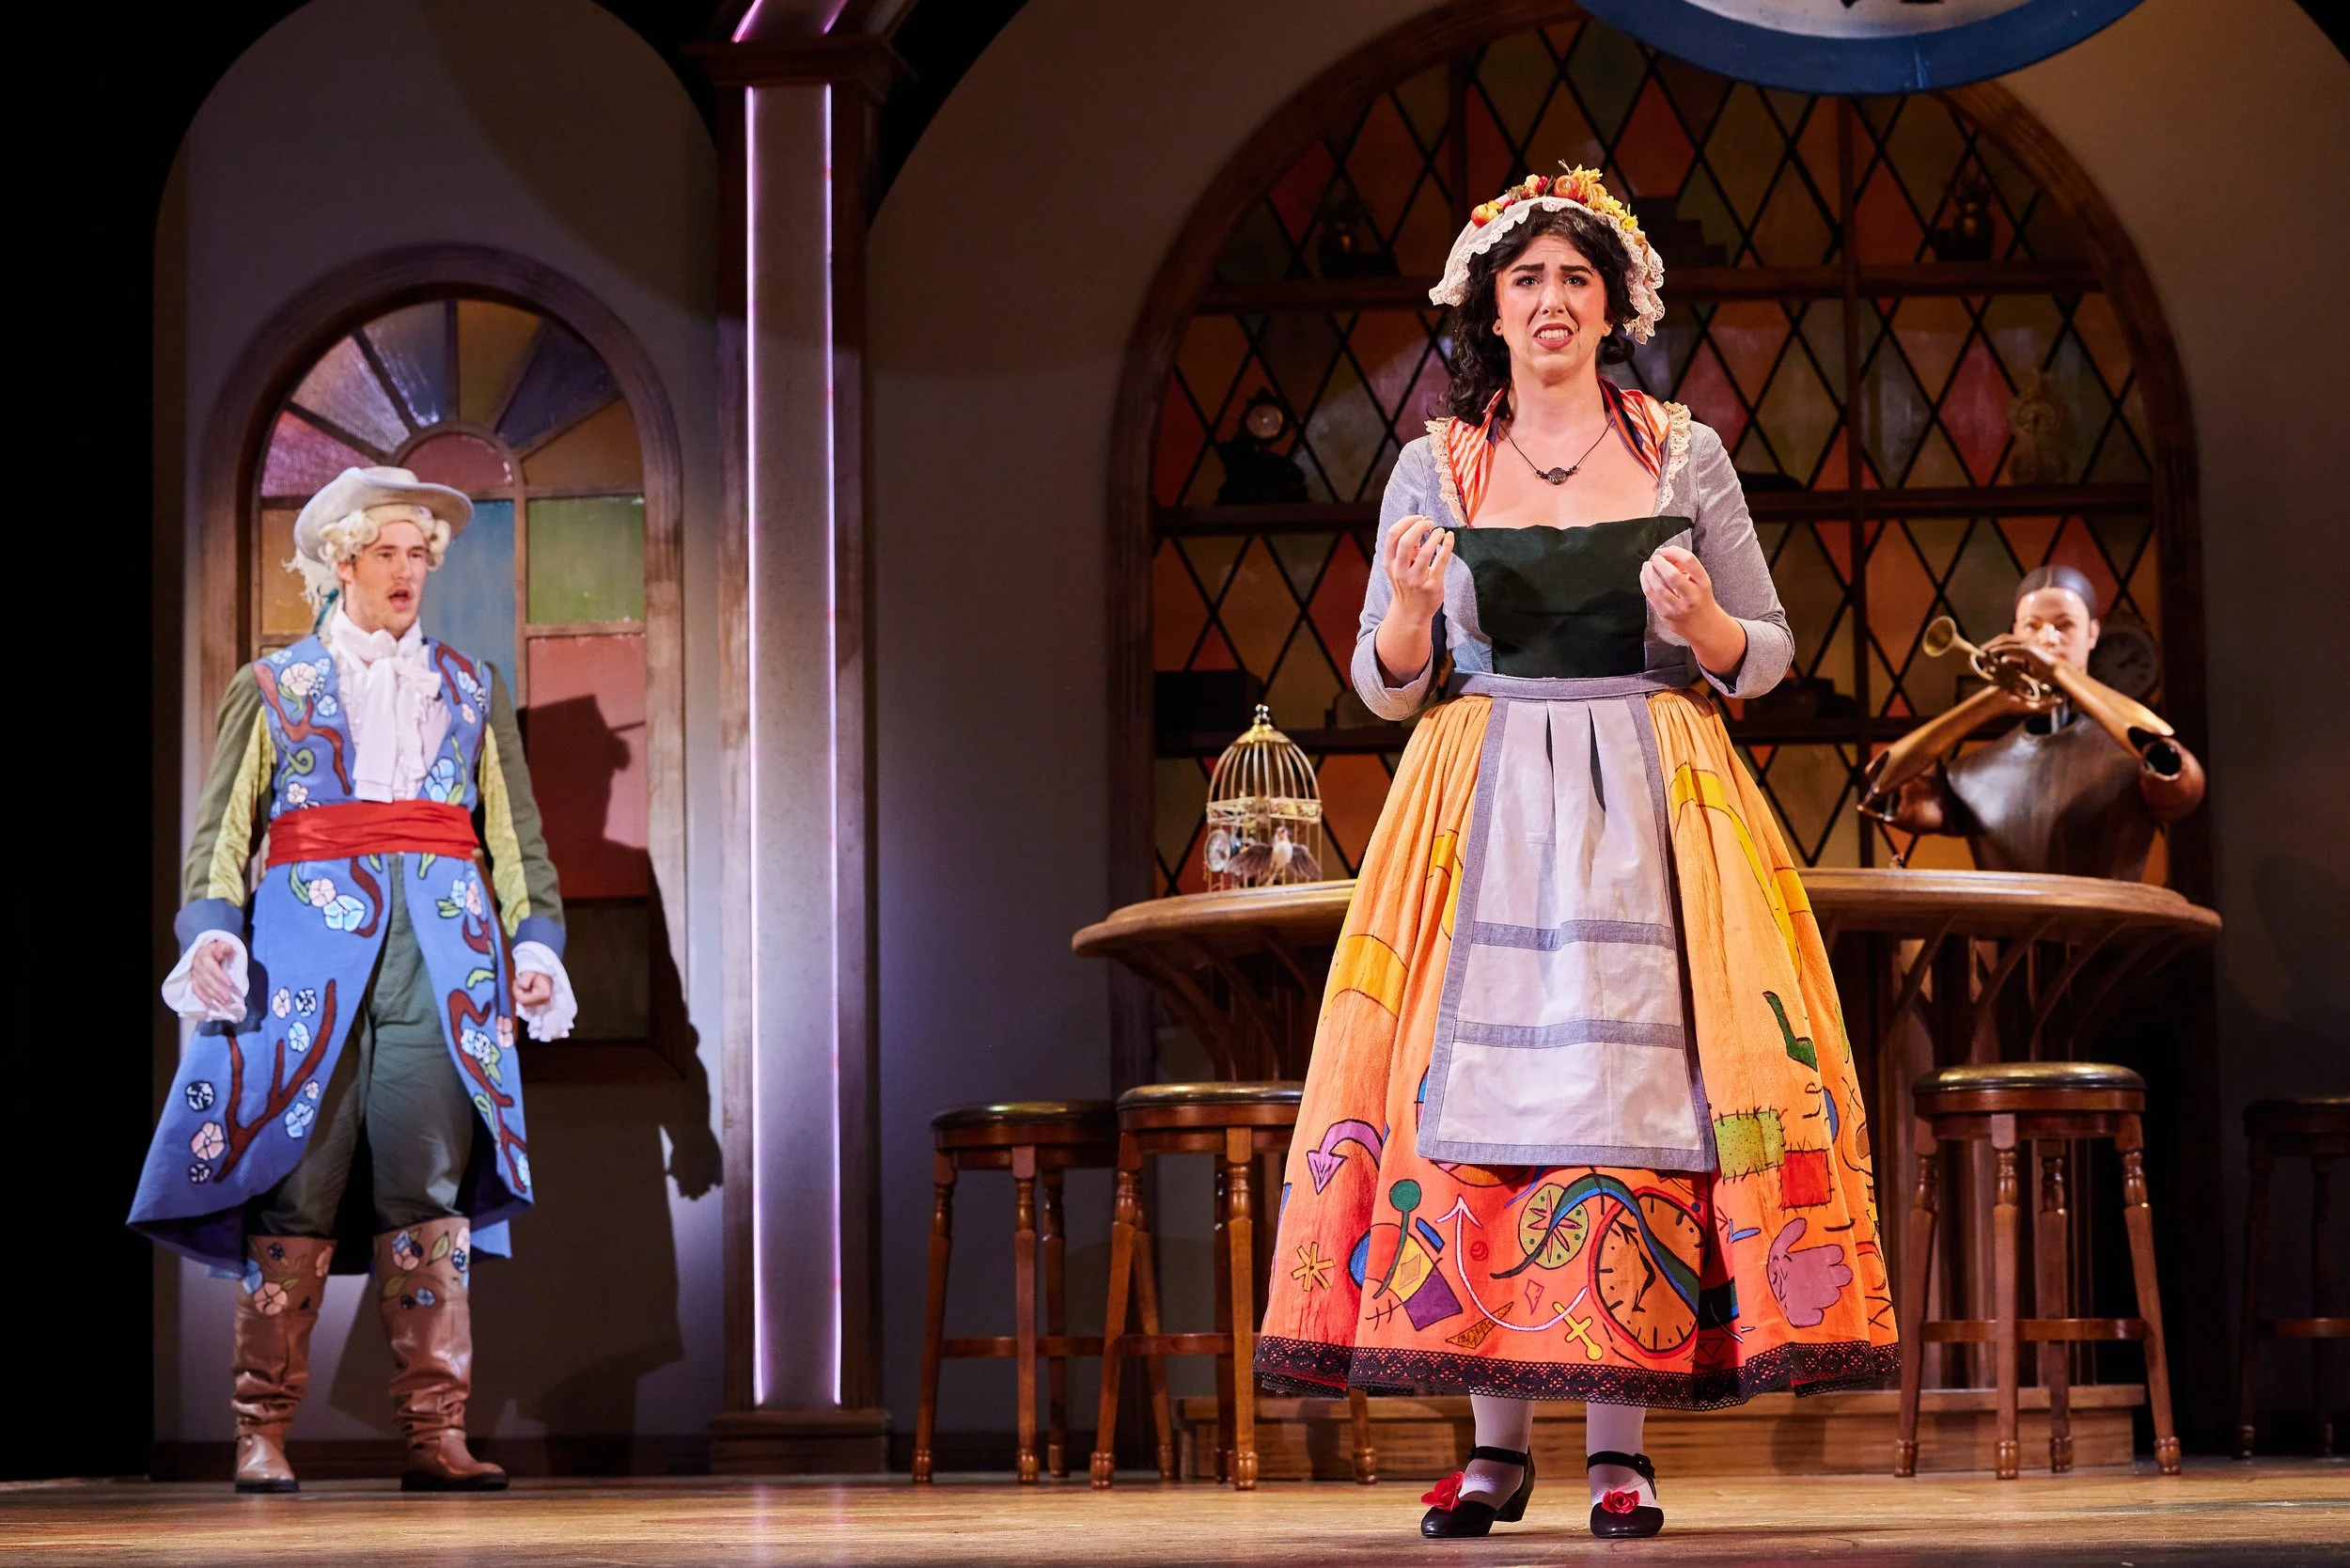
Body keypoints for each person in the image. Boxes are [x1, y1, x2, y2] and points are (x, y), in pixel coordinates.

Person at [1252, 169, 1895, 1540]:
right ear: (1492, 301)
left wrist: (1707, 622)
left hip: (1651, 799)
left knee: (1629, 1098)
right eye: (1529, 278)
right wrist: (1417, 610)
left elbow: (1768, 656)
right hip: (1483, 794)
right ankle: (1493, 1444)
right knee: (1472, 1104)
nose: (1552, 301)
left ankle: (1620, 1444)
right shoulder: (1438, 461)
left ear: (1616, 308)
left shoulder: (1684, 452)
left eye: (1577, 280)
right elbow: (1381, 680)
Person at [130, 467, 578, 1494]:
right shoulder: (275, 686)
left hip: (440, 958)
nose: (408, 571)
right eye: (389, 552)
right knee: (297, 1181)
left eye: (420, 554)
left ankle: (435, 1431)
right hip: (304, 954)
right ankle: (261, 1429)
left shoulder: (468, 687)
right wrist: (211, 931)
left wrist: (536, 943)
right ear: (340, 561)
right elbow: (220, 836)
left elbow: (513, 835)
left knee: (424, 1187)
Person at [1866, 565, 2203, 878]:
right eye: (2032, 626)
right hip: (2004, 942)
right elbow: (1881, 787)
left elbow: (2177, 776)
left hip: (2108, 940)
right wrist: (1988, 703)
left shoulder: (2133, 758)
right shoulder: (1973, 772)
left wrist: (2060, 671)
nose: (2048, 639)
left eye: (2064, 625)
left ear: (2093, 634)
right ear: (2014, 632)